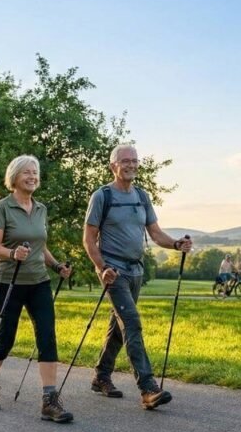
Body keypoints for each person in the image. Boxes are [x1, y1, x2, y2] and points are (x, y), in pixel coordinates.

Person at [83, 143, 193, 410]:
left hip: (136, 271)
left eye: (134, 160)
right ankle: (148, 388)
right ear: (113, 166)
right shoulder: (102, 196)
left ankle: (101, 376)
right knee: (132, 322)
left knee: (119, 327)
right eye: (125, 161)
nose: (131, 165)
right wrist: (101, 268)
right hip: (114, 272)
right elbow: (88, 239)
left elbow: (155, 233)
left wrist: (176, 244)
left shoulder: (142, 197)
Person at [0, 154, 74, 423]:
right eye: (27, 173)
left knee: (47, 336)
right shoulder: (2, 207)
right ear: (15, 177)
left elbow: (39, 246)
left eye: (35, 172)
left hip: (39, 282)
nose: (33, 176)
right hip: (9, 282)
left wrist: (57, 267)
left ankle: (49, 400)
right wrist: (12, 254)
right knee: (5, 339)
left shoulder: (41, 208)